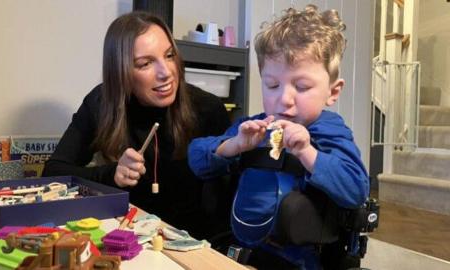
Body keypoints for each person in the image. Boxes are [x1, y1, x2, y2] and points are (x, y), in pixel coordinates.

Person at [188, 5, 369, 270]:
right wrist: (234, 145)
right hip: (246, 251)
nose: (284, 99)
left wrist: (308, 153)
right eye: (272, 85)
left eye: (302, 87)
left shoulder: (330, 132)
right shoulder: (253, 127)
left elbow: (355, 189)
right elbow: (196, 156)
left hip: (302, 260)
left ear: (333, 91)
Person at [43, 11, 231, 240]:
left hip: (192, 245)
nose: (166, 72)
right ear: (121, 73)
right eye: (145, 64)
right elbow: (53, 173)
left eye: (169, 55)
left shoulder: (207, 109)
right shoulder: (102, 102)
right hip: (127, 239)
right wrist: (112, 174)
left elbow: (226, 206)